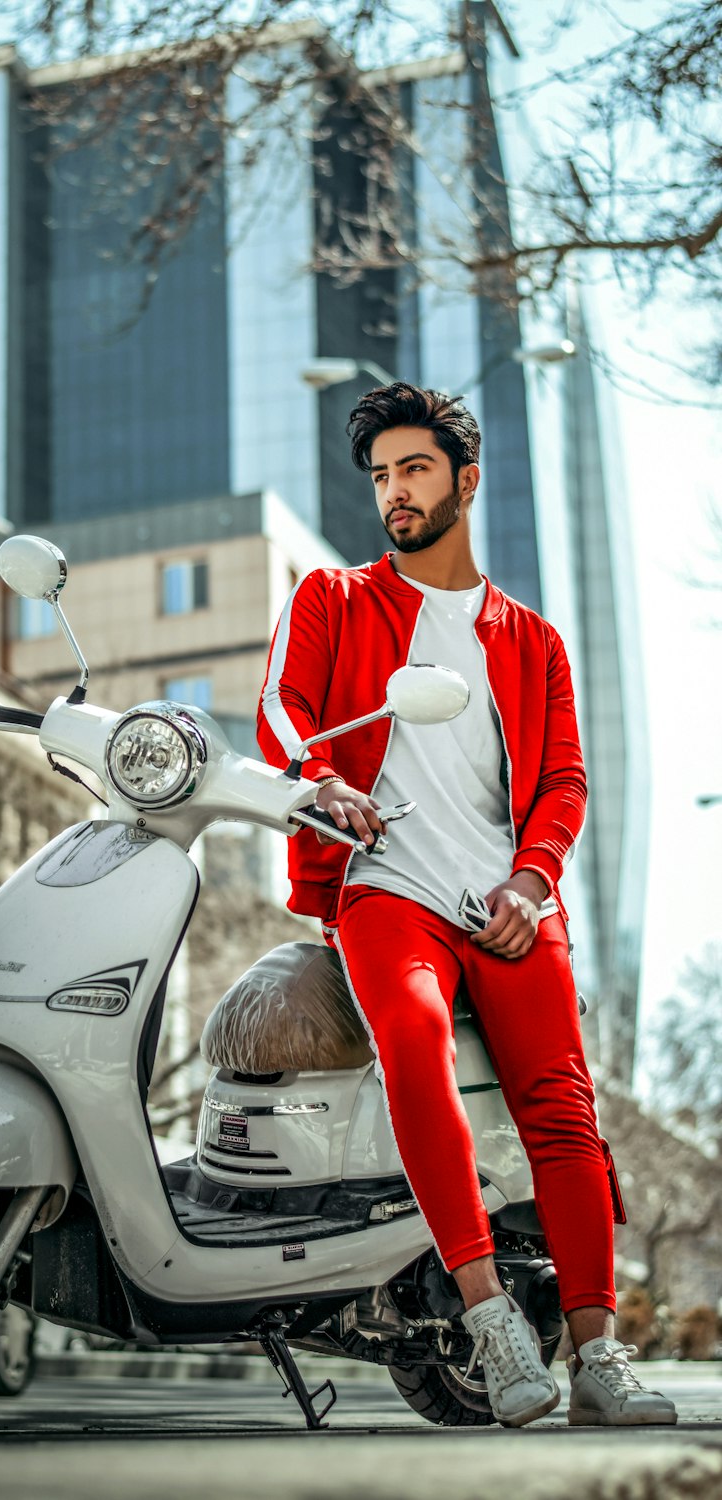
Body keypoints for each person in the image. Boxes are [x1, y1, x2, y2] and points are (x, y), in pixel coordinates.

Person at [257, 381, 676, 1429]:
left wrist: (531, 884)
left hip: (506, 902)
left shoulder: (529, 640)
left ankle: (596, 1355)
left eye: (414, 470)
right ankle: (487, 1319)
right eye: (381, 476)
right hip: (386, 884)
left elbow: (564, 782)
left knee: (564, 1107)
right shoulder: (333, 599)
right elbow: (282, 708)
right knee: (411, 1037)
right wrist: (320, 780)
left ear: (464, 481)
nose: (393, 493)